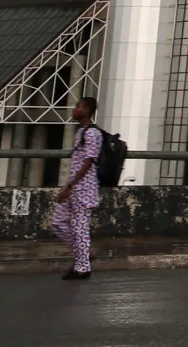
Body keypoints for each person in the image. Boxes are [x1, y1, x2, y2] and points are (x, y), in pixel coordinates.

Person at [50, 96, 103, 281]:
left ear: (87, 110)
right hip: (74, 187)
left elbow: (88, 162)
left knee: (80, 228)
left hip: (84, 189)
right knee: (57, 222)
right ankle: (84, 256)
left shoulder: (92, 133)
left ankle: (82, 268)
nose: (74, 110)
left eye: (78, 107)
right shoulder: (81, 132)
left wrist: (70, 186)